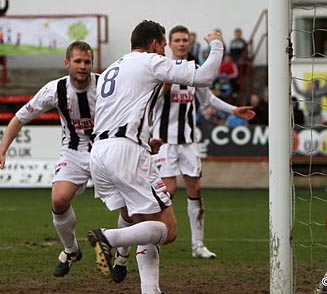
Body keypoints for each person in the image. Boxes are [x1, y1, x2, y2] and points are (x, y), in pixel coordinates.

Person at [87, 20, 225, 294]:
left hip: (101, 153)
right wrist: (217, 44)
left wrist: (141, 139)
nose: (164, 52)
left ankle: (150, 289)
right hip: (125, 153)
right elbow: (206, 76)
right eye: (163, 45)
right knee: (167, 229)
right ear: (154, 44)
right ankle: (109, 238)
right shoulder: (149, 61)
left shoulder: (115, 66)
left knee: (145, 225)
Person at [149, 25, 254, 261]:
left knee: (195, 190)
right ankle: (149, 238)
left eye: (185, 40)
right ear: (170, 44)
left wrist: (234, 110)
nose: (182, 43)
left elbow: (208, 99)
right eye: (177, 40)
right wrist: (164, 88)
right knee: (169, 191)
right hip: (163, 142)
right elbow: (150, 104)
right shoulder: (160, 70)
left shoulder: (195, 71)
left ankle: (198, 245)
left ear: (189, 43)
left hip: (188, 142)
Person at [0, 41, 97, 277]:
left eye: (87, 62)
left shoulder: (105, 85)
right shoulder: (55, 90)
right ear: (67, 63)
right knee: (59, 200)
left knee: (126, 203)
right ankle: (71, 249)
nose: (82, 66)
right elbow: (19, 118)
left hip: (105, 150)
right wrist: (3, 149)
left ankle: (122, 257)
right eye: (77, 61)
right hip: (73, 151)